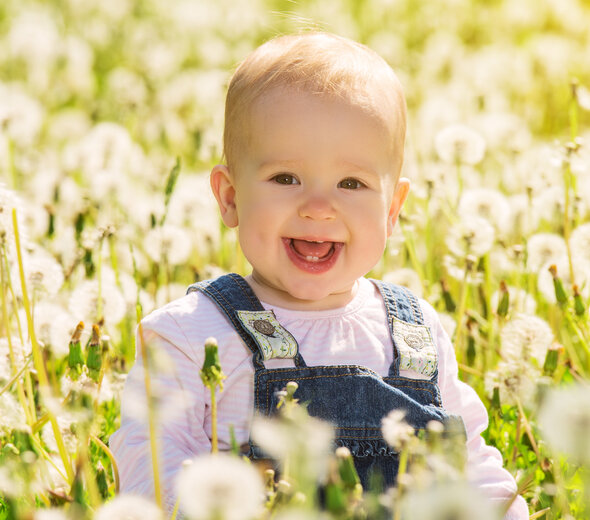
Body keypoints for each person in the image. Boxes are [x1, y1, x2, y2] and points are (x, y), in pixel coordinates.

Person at [109, 32, 528, 518]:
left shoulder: (416, 334)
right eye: (286, 178)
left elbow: (472, 462)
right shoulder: (190, 334)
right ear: (229, 197)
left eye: (352, 183)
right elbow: (152, 475)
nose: (319, 208)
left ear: (392, 211)